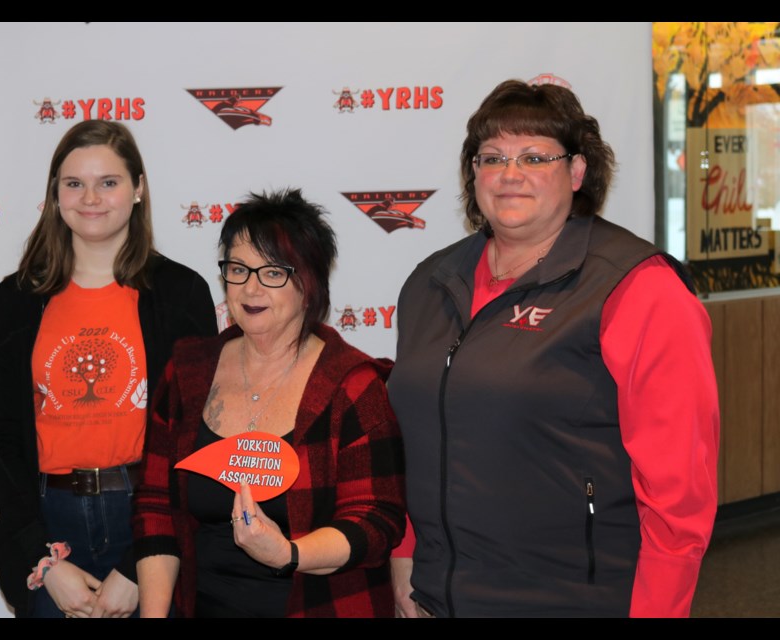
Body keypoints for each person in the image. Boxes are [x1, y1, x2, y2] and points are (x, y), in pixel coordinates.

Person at [387, 80, 719, 618]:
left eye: (536, 156)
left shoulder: (638, 286)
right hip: (438, 598)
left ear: (578, 172)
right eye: (492, 157)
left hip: (575, 599)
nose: (510, 174)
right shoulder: (430, 282)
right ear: (473, 174)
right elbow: (417, 443)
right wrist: (404, 560)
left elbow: (680, 496)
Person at [0, 120, 217, 617]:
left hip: (148, 517)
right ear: (55, 194)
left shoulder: (180, 293)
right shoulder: (17, 299)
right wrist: (44, 560)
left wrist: (139, 563)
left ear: (138, 189)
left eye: (108, 182)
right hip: (48, 520)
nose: (91, 197)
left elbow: (195, 437)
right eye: (74, 183)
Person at [132, 189, 406, 617]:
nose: (250, 287)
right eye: (237, 269)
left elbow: (376, 520)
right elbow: (155, 507)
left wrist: (287, 553)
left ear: (309, 282)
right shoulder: (187, 372)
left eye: (272, 272)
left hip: (320, 606)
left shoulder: (353, 384)